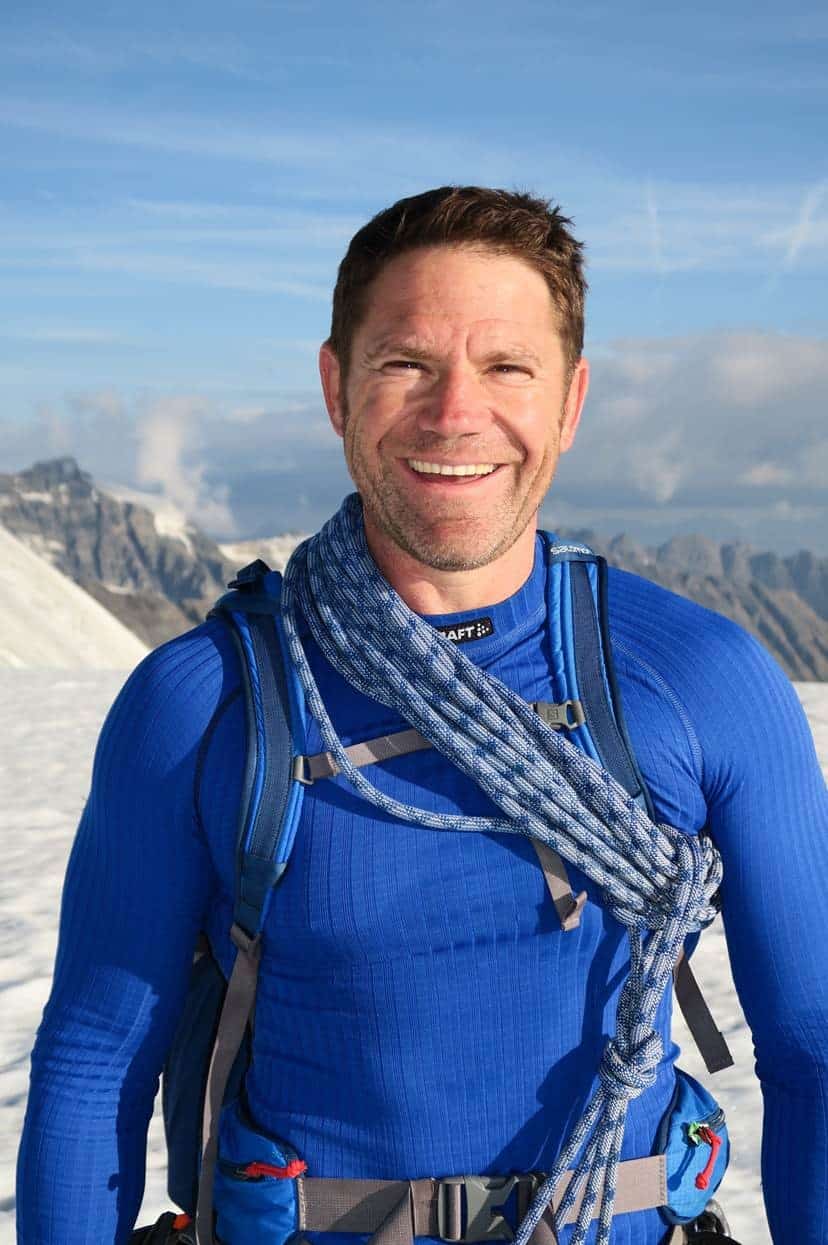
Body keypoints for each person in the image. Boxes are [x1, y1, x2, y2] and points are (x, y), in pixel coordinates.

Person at [16, 186, 828, 1245]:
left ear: (570, 401)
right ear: (334, 385)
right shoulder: (206, 702)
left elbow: (812, 1047)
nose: (455, 415)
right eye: (406, 363)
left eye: (507, 368)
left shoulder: (700, 682)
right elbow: (93, 1061)